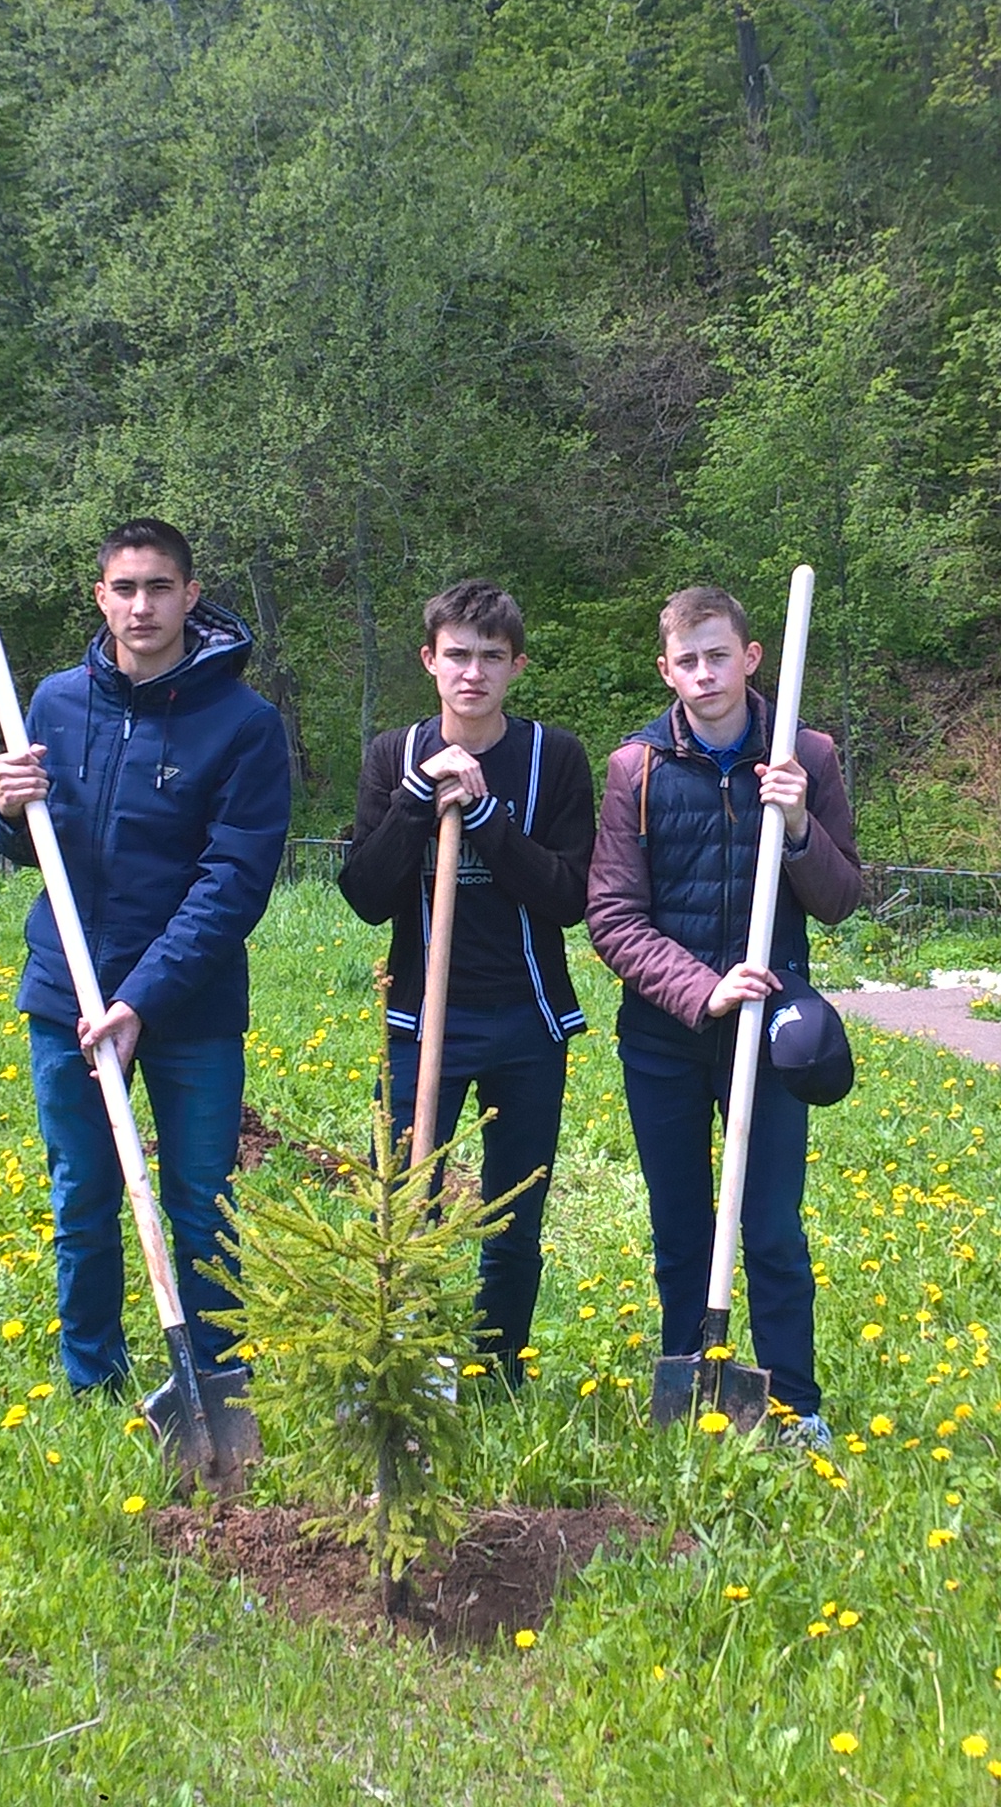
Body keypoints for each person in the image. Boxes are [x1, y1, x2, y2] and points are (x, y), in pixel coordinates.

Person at [0, 518, 292, 1395]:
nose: (141, 606)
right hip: (66, 993)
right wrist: (11, 811)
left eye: (160, 587)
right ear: (101, 598)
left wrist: (144, 1000)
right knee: (82, 1198)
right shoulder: (54, 703)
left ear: (191, 597)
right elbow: (33, 848)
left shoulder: (243, 724)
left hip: (190, 1009)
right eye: (124, 588)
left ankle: (214, 1377)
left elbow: (233, 881)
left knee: (201, 1205)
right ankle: (92, 1376)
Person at [586, 583, 863, 1447]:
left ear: (751, 657)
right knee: (681, 1225)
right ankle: (688, 1384)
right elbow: (612, 915)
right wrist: (702, 987)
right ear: (666, 670)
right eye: (687, 661)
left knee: (772, 1226)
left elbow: (843, 897)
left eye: (720, 656)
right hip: (668, 1036)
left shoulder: (805, 756)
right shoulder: (635, 769)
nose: (704, 674)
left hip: (773, 1036)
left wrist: (799, 824)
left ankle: (794, 1407)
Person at [337, 581, 595, 1390]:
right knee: (410, 1206)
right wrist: (418, 801)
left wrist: (486, 820)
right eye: (457, 655)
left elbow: (569, 898)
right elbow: (365, 895)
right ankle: (411, 1367)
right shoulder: (393, 755)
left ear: (516, 665)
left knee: (515, 1214)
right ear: (429, 661)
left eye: (491, 657)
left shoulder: (556, 758)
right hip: (424, 1020)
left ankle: (498, 1370)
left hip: (527, 1020)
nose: (472, 673)